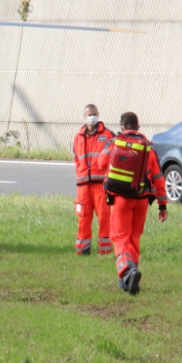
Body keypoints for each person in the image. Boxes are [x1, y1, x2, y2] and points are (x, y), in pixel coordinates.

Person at [104, 112, 168, 295]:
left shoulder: (115, 142)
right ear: (138, 127)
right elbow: (158, 179)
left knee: (120, 237)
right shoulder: (148, 147)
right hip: (141, 201)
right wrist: (162, 205)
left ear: (122, 127)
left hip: (121, 199)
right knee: (133, 238)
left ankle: (128, 271)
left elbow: (101, 163)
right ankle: (128, 280)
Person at [72, 104, 114, 255]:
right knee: (83, 218)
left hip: (101, 185)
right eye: (89, 114)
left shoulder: (108, 135)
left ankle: (105, 250)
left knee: (104, 217)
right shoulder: (78, 137)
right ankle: (83, 250)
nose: (92, 117)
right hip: (83, 186)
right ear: (84, 116)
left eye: (94, 114)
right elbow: (76, 158)